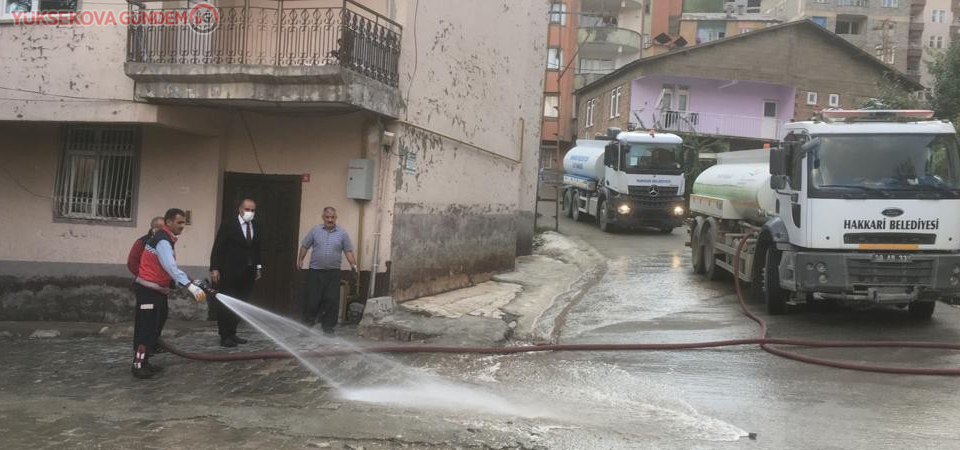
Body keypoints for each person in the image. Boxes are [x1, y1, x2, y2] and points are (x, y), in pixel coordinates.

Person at [132, 208, 208, 379]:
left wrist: (191, 280)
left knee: (154, 327)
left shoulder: (166, 239)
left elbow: (170, 268)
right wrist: (190, 286)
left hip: (157, 290)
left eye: (183, 223)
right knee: (145, 328)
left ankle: (145, 362)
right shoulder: (162, 241)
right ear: (168, 222)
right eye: (179, 222)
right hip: (148, 291)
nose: (182, 226)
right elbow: (170, 267)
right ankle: (138, 364)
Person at [209, 198, 262, 348]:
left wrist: (258, 266)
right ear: (240, 209)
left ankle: (232, 332)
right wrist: (214, 268)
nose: (249, 213)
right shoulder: (228, 225)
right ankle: (224, 335)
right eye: (247, 209)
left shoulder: (256, 226)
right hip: (229, 271)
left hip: (248, 272)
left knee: (240, 303)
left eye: (252, 210)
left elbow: (257, 248)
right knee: (227, 303)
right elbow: (218, 247)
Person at [298, 207, 357, 334]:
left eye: (332, 217)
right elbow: (304, 246)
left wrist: (353, 264)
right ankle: (307, 326)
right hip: (315, 271)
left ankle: (328, 327)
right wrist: (300, 260)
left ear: (336, 218)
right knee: (312, 300)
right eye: (327, 217)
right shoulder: (315, 231)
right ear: (323, 217)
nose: (330, 220)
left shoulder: (342, 233)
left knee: (331, 300)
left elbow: (348, 250)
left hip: (333, 273)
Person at [126, 216, 168, 355]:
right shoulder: (142, 242)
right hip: (146, 288)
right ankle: (141, 351)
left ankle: (154, 343)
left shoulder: (163, 242)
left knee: (160, 317)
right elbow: (132, 263)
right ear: (153, 228)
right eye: (161, 228)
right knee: (145, 322)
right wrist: (146, 277)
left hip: (160, 289)